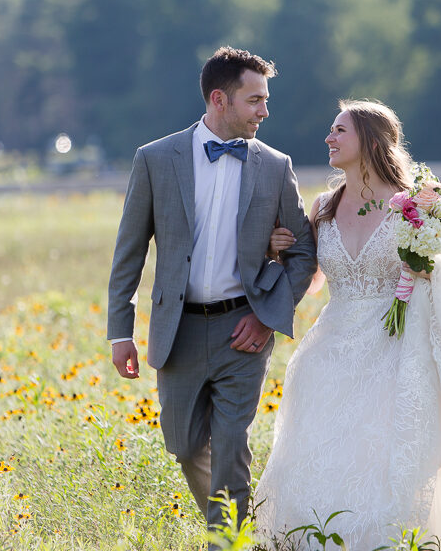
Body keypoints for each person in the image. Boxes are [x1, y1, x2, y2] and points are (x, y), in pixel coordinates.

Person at [254, 100, 441, 549]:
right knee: (324, 454)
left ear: (370, 140)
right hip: (331, 350)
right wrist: (276, 251)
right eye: (331, 130)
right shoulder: (322, 207)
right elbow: (313, 278)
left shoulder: (417, 204)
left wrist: (427, 269)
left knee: (386, 456)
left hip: (396, 346)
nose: (329, 138)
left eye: (340, 130)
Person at [106, 47, 317, 530]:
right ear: (220, 99)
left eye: (265, 100)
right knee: (183, 446)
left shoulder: (275, 165)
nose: (265, 111)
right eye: (255, 100)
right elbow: (129, 252)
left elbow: (304, 250)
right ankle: (239, 531)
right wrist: (121, 332)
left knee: (230, 445)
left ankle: (230, 542)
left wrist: (267, 317)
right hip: (175, 329)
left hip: (242, 328)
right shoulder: (155, 159)